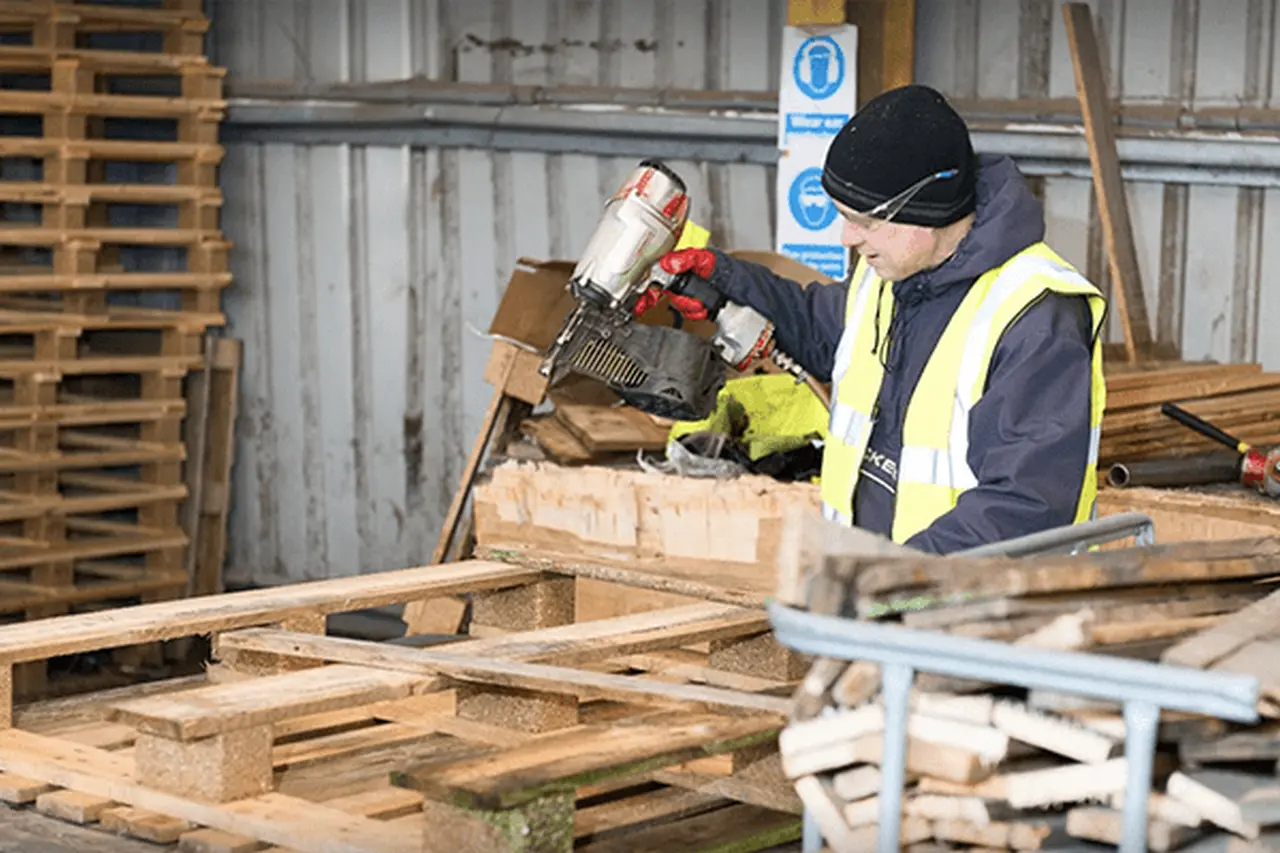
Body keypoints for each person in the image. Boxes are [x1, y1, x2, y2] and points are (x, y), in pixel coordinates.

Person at [649, 84, 1107, 554]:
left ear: (930, 208)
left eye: (865, 220)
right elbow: (816, 328)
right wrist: (721, 279)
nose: (848, 237)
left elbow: (1024, 507)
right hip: (883, 601)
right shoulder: (890, 277)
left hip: (978, 616)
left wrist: (889, 585)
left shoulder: (1035, 318)